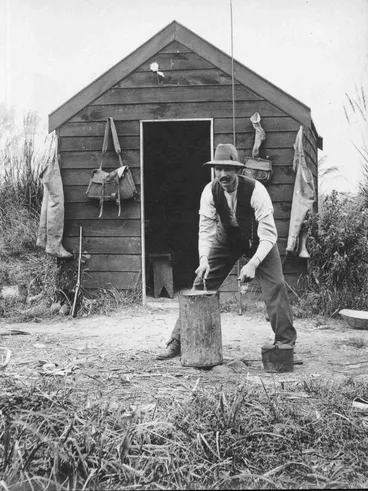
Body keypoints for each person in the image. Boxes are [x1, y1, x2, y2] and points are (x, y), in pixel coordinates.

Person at [156, 143, 297, 364]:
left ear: (237, 170)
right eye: (218, 169)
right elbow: (206, 230)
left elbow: (270, 234)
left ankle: (285, 344)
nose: (222, 174)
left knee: (276, 285)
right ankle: (178, 341)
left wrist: (254, 263)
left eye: (227, 169)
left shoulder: (256, 190)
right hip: (227, 241)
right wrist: (203, 260)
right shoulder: (209, 191)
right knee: (201, 284)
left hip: (258, 242)